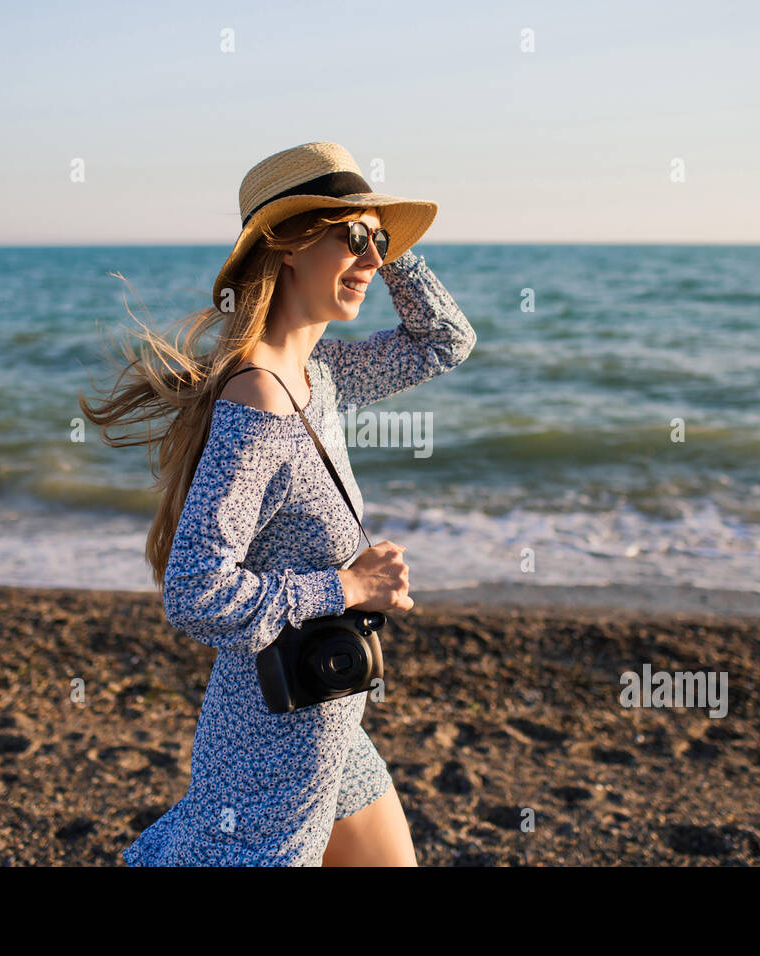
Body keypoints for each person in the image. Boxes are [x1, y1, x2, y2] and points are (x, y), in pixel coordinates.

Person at [80, 142, 476, 865]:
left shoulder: (317, 376)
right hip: (270, 752)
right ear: (288, 245)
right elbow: (195, 593)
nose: (369, 256)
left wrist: (387, 251)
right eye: (351, 237)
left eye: (377, 239)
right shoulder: (260, 397)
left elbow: (445, 341)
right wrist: (347, 586)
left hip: (333, 725)